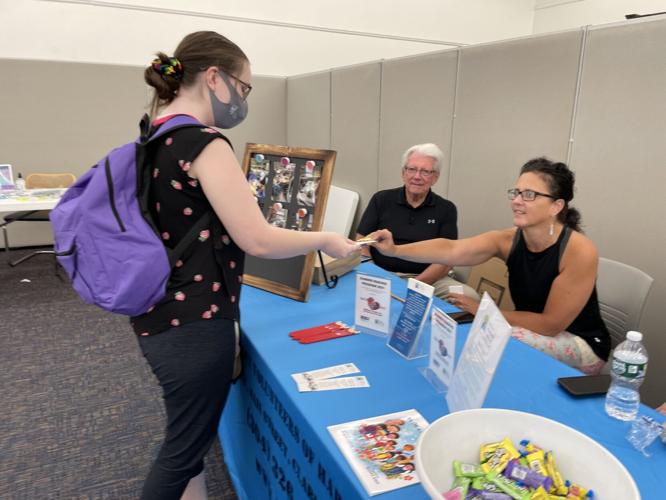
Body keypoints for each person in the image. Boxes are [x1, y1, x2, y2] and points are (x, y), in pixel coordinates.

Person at [137, 31, 358, 500]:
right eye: (245, 86)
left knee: (190, 445)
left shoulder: (154, 135)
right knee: (180, 454)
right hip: (194, 322)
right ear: (215, 78)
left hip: (159, 311)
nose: (243, 99)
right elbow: (257, 237)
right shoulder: (203, 143)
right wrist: (327, 239)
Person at [369, 157, 611, 375]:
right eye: (516, 193)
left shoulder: (579, 250)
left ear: (556, 206)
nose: (516, 201)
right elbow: (451, 249)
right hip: (531, 330)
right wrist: (395, 250)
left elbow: (550, 324)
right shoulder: (509, 239)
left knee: (499, 338)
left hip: (582, 344)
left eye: (529, 195)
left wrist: (483, 310)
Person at [356, 143, 478, 300]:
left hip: (427, 279)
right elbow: (362, 241)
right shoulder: (381, 199)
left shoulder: (446, 209)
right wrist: (372, 275)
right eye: (412, 169)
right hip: (381, 274)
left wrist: (413, 286)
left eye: (425, 171)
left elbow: (447, 259)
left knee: (470, 297)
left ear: (435, 177)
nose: (417, 176)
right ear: (403, 173)